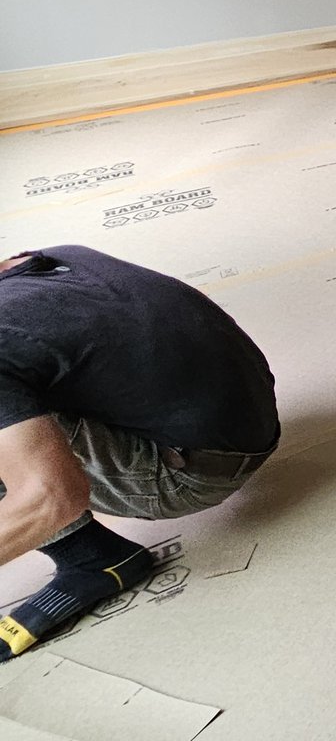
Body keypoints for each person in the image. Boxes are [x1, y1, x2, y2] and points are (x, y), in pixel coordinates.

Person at [0, 246, 278, 658]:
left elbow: (51, 497)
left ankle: (93, 559)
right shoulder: (45, 259)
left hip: (192, 473)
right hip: (247, 419)